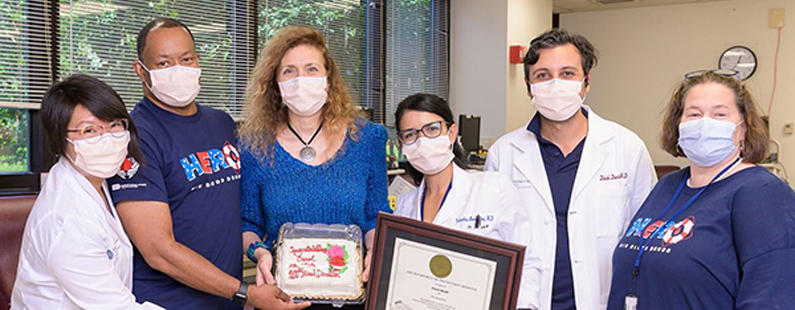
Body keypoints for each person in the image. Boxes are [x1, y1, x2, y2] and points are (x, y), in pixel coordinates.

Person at [107, 18, 309, 310]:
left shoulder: (221, 123)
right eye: (164, 63)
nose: (178, 69)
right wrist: (246, 293)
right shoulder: (137, 136)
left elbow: (233, 213)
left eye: (186, 59)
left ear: (198, 61)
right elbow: (158, 251)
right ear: (141, 71)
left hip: (225, 301)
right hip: (167, 303)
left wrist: (258, 251)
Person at [484, 28, 657, 310]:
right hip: (529, 301)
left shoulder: (626, 147)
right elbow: (494, 241)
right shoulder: (503, 154)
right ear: (529, 86)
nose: (555, 85)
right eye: (542, 75)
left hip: (605, 299)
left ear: (586, 82)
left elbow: (645, 236)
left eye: (567, 74)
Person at [607, 70, 795, 309]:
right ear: (678, 126)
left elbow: (773, 296)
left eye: (720, 114)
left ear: (743, 128)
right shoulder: (668, 185)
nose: (705, 123)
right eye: (694, 114)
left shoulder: (762, 193)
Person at [238, 26, 390, 309]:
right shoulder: (253, 147)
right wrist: (259, 253)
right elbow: (248, 224)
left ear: (328, 80)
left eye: (311, 69)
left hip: (350, 296)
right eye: (289, 72)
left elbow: (374, 216)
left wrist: (376, 250)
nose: (301, 80)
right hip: (281, 298)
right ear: (275, 84)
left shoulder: (368, 139)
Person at [10, 74, 162, 309]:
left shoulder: (95, 182)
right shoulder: (68, 219)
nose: (107, 138)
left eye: (114, 125)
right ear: (60, 139)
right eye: (89, 131)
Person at [393, 93, 536, 308]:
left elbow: (527, 263)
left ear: (451, 133)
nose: (422, 141)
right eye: (410, 134)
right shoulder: (404, 206)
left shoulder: (494, 189)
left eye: (432, 129)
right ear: (402, 144)